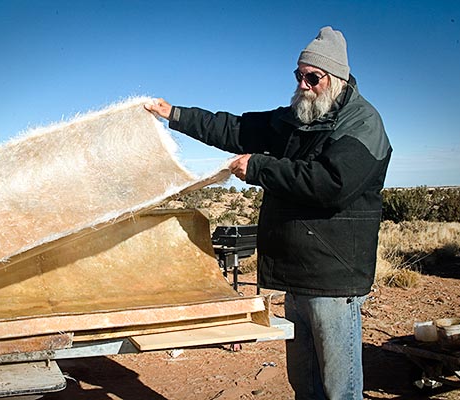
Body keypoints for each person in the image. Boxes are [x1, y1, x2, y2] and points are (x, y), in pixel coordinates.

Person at [145, 26, 392, 400]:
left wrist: (259, 168)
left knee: (340, 389)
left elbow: (330, 183)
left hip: (335, 279)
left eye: (313, 77)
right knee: (305, 385)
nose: (304, 85)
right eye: (299, 76)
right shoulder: (297, 117)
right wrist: (174, 114)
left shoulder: (361, 123)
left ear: (337, 78)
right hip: (299, 274)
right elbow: (235, 128)